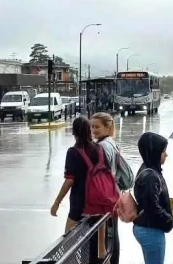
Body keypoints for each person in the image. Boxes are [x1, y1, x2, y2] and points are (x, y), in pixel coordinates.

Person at [50, 116, 109, 232]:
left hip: (80, 203)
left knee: (69, 240)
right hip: (99, 202)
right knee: (97, 242)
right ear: (89, 131)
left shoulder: (73, 152)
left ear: (74, 132)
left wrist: (57, 202)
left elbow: (69, 181)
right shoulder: (100, 149)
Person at [133, 132, 173, 264]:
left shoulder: (148, 169)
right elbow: (152, 205)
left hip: (147, 226)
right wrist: (168, 220)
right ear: (154, 153)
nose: (166, 155)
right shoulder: (151, 176)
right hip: (151, 229)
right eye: (163, 152)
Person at [91, 112, 122, 264]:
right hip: (114, 193)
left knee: (104, 238)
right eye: (92, 127)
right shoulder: (112, 142)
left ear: (107, 127)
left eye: (97, 127)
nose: (94, 130)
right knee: (113, 234)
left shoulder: (101, 146)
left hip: (105, 196)